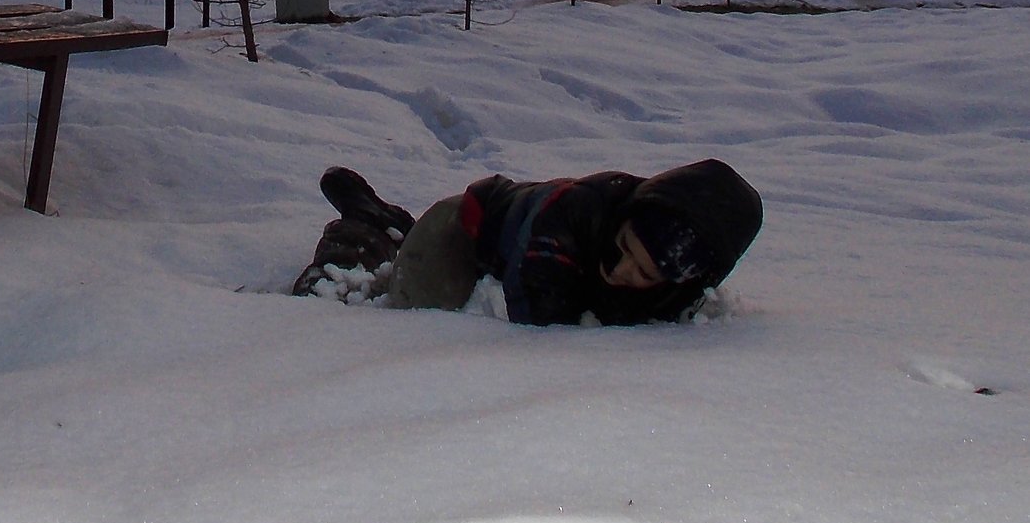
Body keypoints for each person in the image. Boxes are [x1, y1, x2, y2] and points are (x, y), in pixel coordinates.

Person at [292, 159, 763, 327]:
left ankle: (393, 227)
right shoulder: (572, 215)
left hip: (509, 240)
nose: (620, 269)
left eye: (641, 273)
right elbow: (537, 311)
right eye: (622, 248)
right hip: (466, 226)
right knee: (400, 305)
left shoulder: (682, 277)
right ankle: (361, 230)